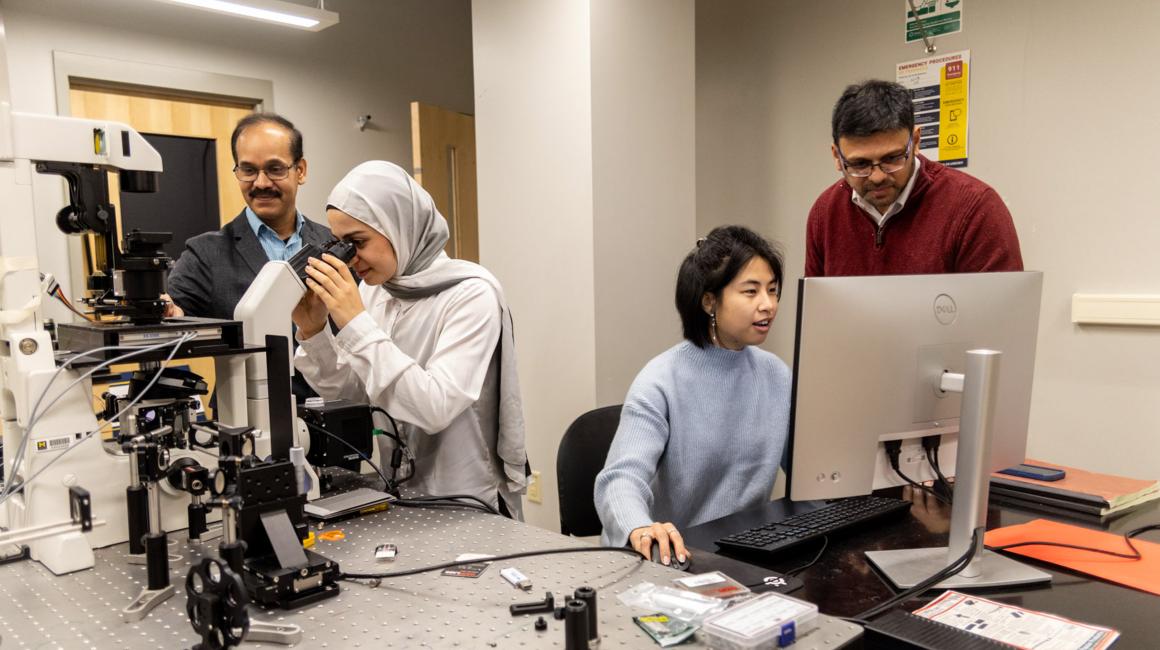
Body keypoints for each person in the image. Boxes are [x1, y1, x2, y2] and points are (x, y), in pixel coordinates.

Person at [291, 161, 527, 518]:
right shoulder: (377, 293)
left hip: (467, 498)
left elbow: (433, 408)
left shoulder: (471, 293)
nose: (350, 259)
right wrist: (314, 333)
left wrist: (355, 324)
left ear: (398, 226)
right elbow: (355, 397)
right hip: (398, 492)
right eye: (340, 244)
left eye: (357, 242)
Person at [594, 226, 791, 565]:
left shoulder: (776, 374)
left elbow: (810, 469)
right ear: (709, 301)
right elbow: (620, 478)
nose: (768, 305)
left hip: (751, 554)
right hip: (677, 559)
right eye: (751, 291)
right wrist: (641, 527)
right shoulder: (660, 380)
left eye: (773, 291)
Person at [805, 80, 1023, 277]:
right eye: (860, 164)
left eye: (892, 158)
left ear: (916, 141)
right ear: (836, 156)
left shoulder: (975, 208)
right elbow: (816, 314)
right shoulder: (825, 213)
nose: (878, 176)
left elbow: (1004, 316)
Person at [166, 113, 332, 319]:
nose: (261, 183)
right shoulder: (204, 254)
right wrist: (171, 312)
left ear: (300, 171)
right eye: (248, 170)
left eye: (275, 169)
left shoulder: (333, 245)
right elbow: (178, 315)